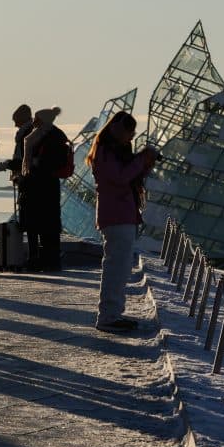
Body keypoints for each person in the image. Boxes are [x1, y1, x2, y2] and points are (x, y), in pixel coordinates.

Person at [86, 110, 157, 331]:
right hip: (116, 215)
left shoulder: (110, 151)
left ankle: (113, 313)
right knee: (116, 267)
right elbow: (119, 177)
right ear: (119, 130)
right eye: (130, 132)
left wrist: (144, 163)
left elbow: (127, 175)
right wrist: (140, 160)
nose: (131, 137)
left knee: (120, 266)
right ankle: (108, 316)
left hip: (121, 214)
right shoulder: (106, 152)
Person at [17, 106, 67, 271]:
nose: (34, 122)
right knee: (34, 225)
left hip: (45, 188)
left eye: (37, 119)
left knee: (47, 226)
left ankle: (50, 260)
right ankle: (36, 259)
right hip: (34, 186)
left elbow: (55, 161)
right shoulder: (35, 136)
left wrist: (39, 163)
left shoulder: (53, 136)